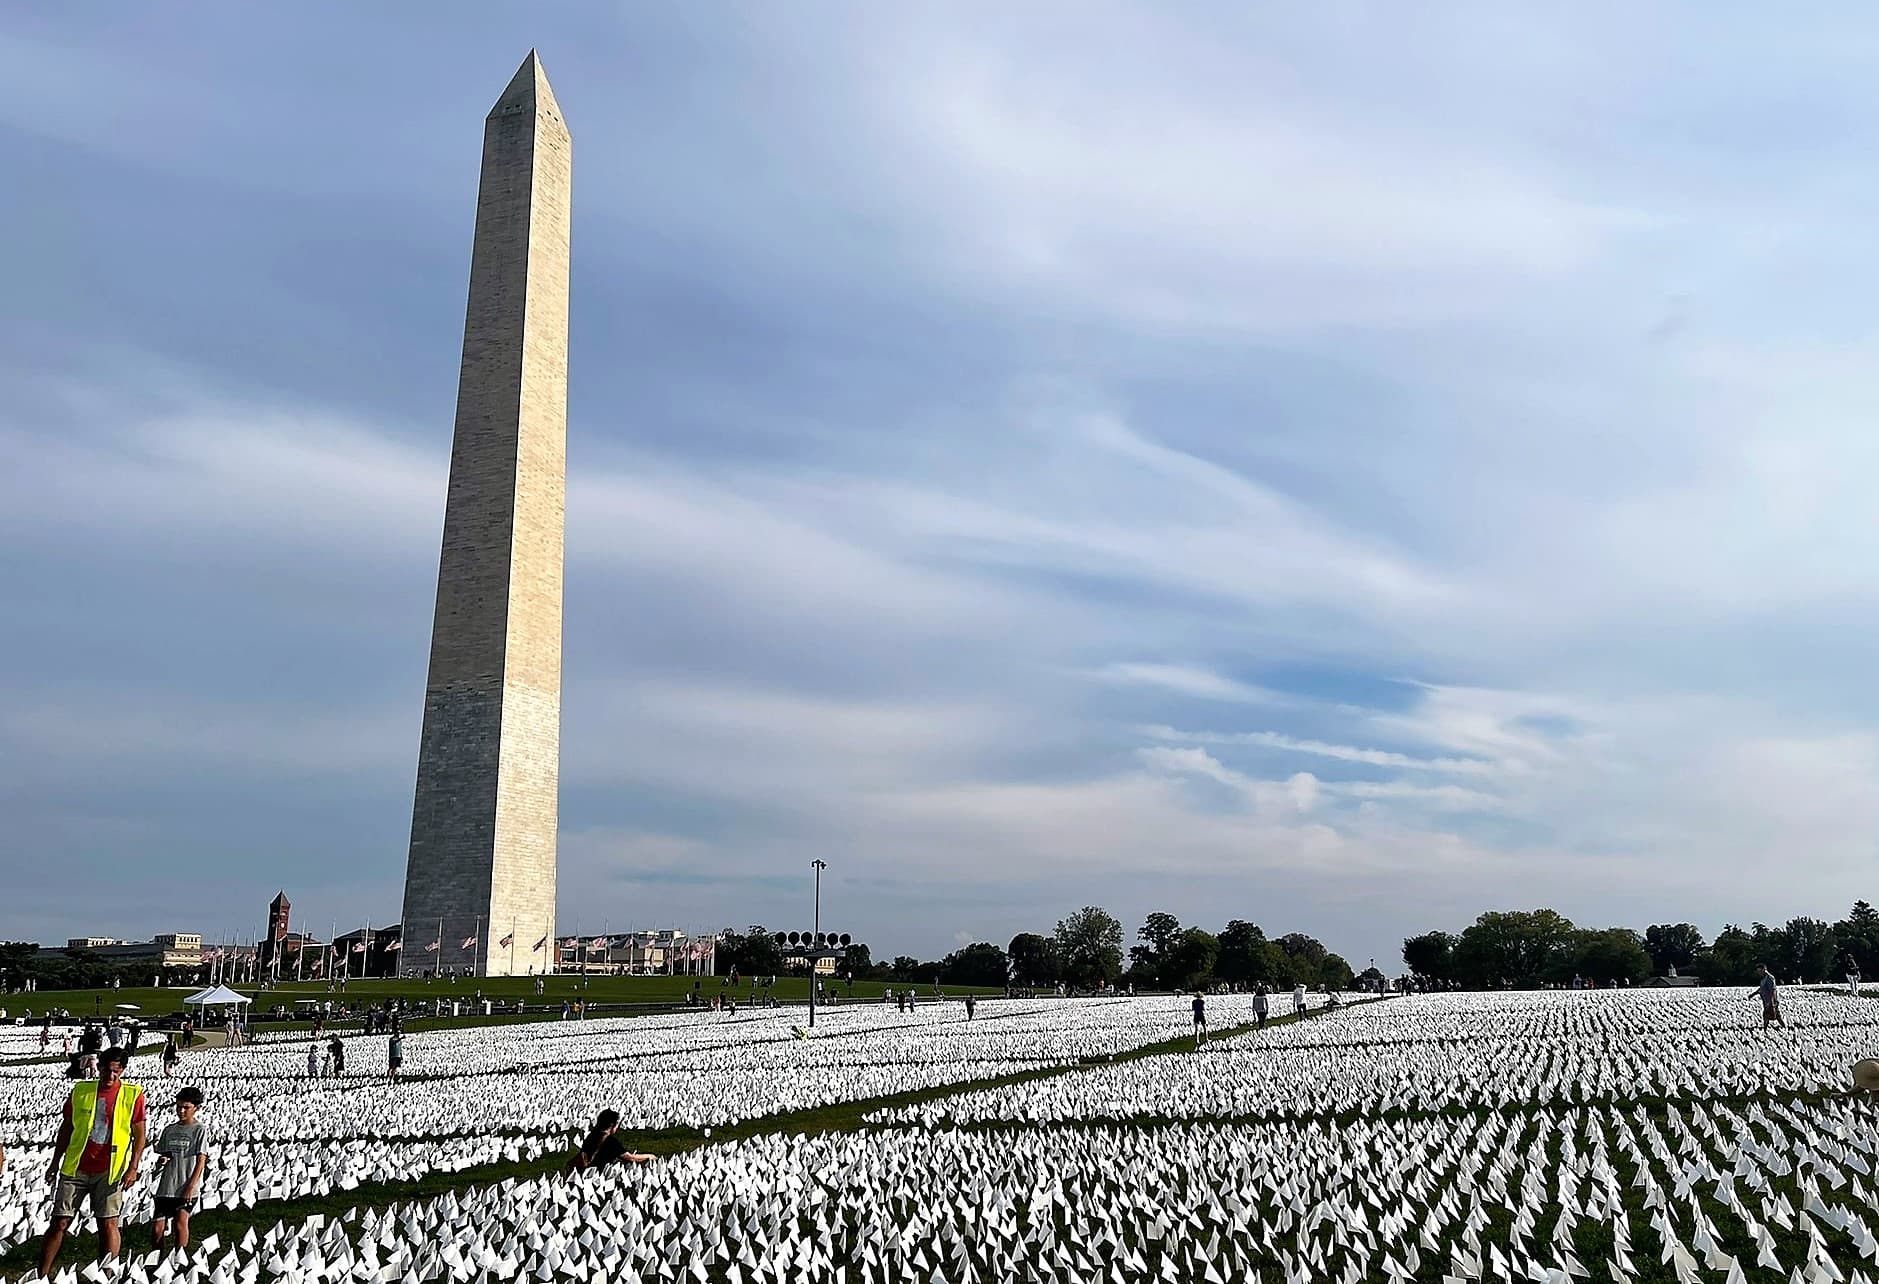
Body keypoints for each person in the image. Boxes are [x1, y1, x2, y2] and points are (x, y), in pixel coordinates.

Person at [39, 1047, 146, 1275]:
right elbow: (66, 1128)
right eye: (106, 1070)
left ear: (123, 1070)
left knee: (108, 1224)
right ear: (98, 1068)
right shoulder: (81, 1091)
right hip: (76, 1166)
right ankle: (41, 1274)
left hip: (110, 1170)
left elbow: (139, 1135)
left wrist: (133, 1167)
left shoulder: (133, 1095)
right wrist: (55, 1161)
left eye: (116, 1071)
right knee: (59, 1222)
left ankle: (106, 1275)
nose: (111, 1076)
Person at [150, 1086, 209, 1252]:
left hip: (186, 1186)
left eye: (186, 1108)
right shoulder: (169, 1130)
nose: (181, 1111)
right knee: (157, 1229)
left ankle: (178, 1261)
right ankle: (158, 1261)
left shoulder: (200, 1130)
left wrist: (191, 1187)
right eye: (179, 1107)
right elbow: (165, 1153)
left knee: (180, 1224)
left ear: (196, 1108)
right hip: (166, 1186)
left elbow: (201, 1161)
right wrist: (163, 1160)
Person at [568, 1109, 654, 1172]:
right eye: (616, 1125)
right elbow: (631, 1158)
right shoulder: (611, 1142)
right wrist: (649, 1156)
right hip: (594, 1173)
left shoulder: (592, 1135)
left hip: (581, 1170)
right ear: (611, 1125)